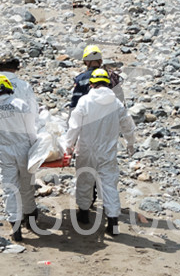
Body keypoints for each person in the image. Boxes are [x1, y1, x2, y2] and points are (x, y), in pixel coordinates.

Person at [63, 68, 135, 236]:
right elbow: (127, 125)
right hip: (108, 152)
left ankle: (84, 213)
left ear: (91, 84)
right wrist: (130, 143)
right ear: (108, 84)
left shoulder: (84, 101)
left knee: (84, 180)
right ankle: (113, 222)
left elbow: (74, 127)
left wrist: (68, 147)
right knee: (109, 185)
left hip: (87, 149)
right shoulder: (116, 103)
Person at [0, 74, 39, 242]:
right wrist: (35, 147)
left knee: (9, 187)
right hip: (23, 147)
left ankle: (15, 225)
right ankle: (30, 215)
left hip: (4, 150)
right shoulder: (20, 104)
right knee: (26, 183)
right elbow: (31, 129)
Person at [69, 45, 124, 111]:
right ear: (100, 61)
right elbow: (120, 99)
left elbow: (75, 103)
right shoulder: (111, 76)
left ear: (86, 62)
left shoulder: (80, 79)